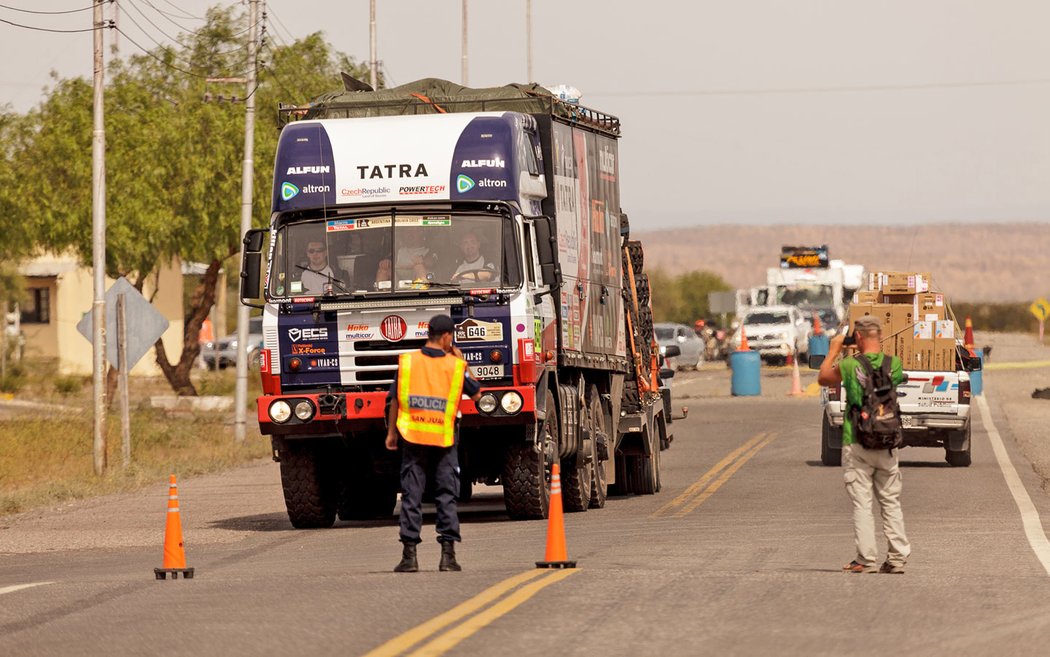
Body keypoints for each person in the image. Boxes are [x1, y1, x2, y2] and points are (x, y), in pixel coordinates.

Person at [385, 314, 481, 573]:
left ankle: (409, 557)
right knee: (446, 496)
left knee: (411, 496)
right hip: (443, 439)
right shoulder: (454, 366)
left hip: (413, 438)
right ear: (448, 337)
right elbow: (477, 392)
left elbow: (394, 399)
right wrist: (462, 362)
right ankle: (447, 557)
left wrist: (391, 433)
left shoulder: (408, 362)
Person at [818, 315, 910, 574]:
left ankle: (866, 559)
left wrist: (835, 349)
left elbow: (824, 378)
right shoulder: (895, 364)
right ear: (880, 335)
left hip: (856, 440)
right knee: (890, 500)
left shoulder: (849, 365)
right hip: (887, 440)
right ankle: (897, 558)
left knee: (863, 503)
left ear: (857, 337)